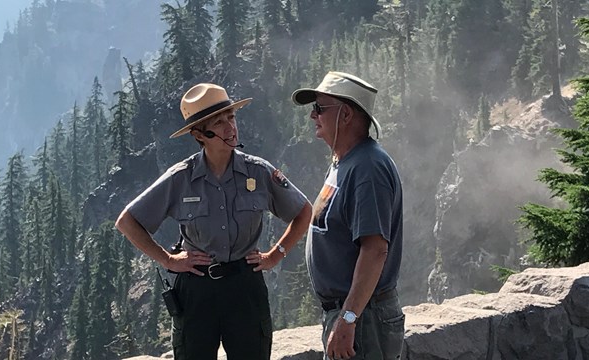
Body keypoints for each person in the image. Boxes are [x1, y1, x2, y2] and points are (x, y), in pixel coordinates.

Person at [115, 83, 312, 360]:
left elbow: (304, 211)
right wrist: (169, 261)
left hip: (245, 286)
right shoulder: (180, 178)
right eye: (219, 122)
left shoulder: (258, 171)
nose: (230, 127)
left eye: (231, 117)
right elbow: (127, 221)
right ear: (199, 134)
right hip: (197, 289)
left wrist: (276, 254)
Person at [291, 71, 405, 360]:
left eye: (319, 108)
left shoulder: (368, 168)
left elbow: (375, 249)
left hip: (365, 318)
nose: (312, 116)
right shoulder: (345, 161)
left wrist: (349, 318)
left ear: (346, 115)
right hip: (354, 314)